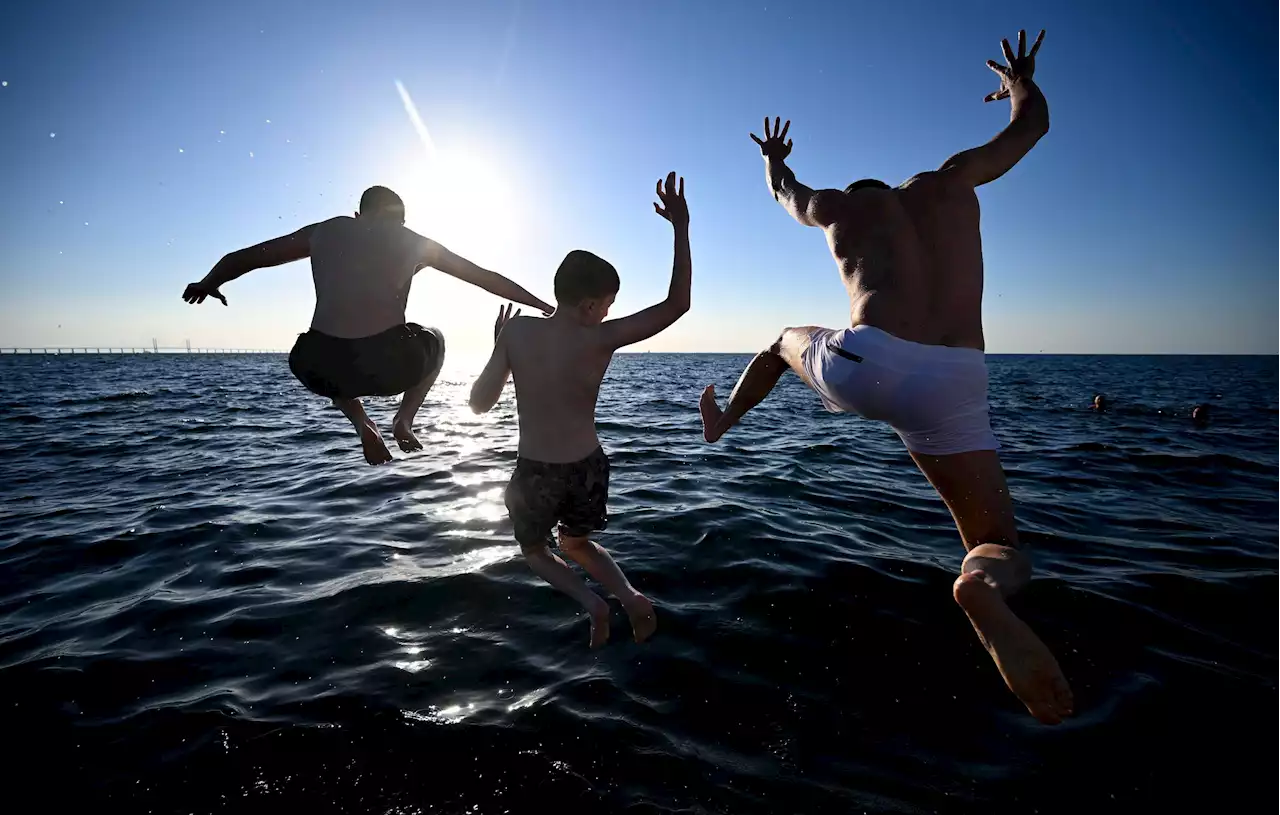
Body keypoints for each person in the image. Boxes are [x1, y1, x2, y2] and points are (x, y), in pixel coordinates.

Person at [697, 30, 1074, 724]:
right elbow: (1035, 124)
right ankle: (981, 588)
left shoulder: (842, 208)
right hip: (957, 378)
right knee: (999, 547)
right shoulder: (952, 180)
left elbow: (786, 193)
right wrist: (1018, 81)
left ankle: (723, 422)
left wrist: (776, 161)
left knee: (782, 339)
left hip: (867, 362)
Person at [468, 172, 691, 648]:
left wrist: (499, 352)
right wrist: (680, 228)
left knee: (535, 549)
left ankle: (590, 604)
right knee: (577, 543)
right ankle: (630, 598)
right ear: (590, 304)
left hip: (535, 471)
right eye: (609, 303)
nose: (610, 312)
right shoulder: (599, 337)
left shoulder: (517, 332)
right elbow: (678, 304)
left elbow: (479, 405)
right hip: (588, 466)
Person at [181, 186, 553, 465]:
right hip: (390, 365)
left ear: (359, 214)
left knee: (324, 351)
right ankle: (404, 421)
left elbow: (245, 257)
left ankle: (362, 424)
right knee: (436, 338)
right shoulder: (413, 241)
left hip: (315, 366)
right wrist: (542, 306)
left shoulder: (325, 230)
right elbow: (484, 277)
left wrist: (208, 282)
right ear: (400, 221)